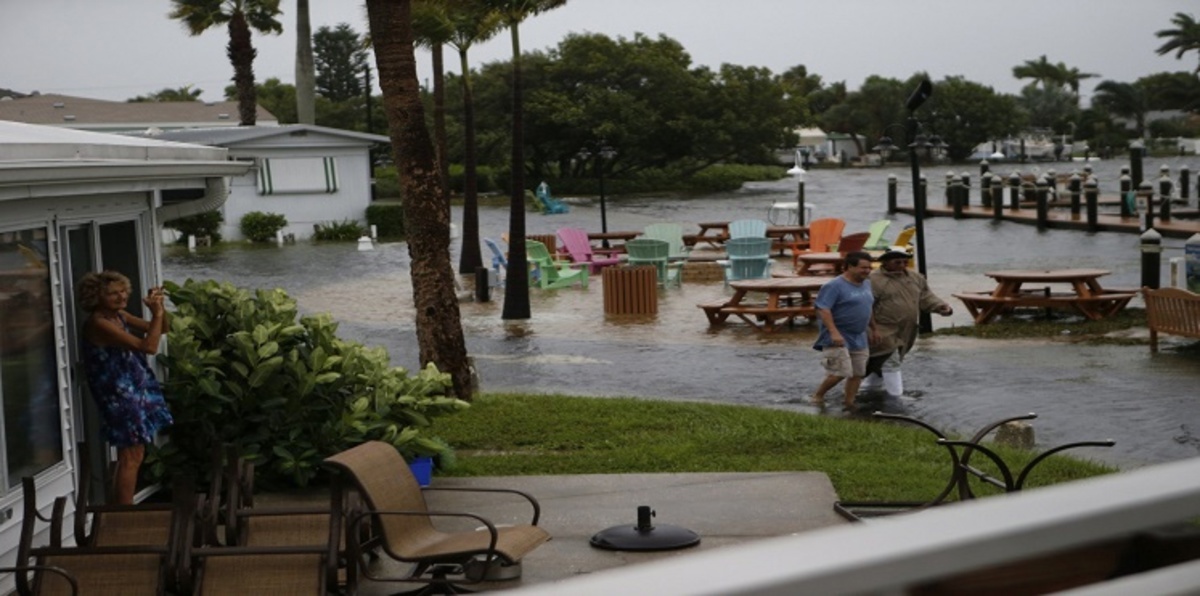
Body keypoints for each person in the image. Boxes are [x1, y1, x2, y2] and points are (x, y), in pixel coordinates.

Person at [78, 271, 172, 504]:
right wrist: (157, 314)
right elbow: (149, 346)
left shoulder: (118, 315)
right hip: (118, 394)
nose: (121, 297)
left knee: (131, 455)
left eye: (123, 291)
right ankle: (124, 516)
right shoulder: (99, 323)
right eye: (112, 294)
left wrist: (158, 309)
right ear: (96, 297)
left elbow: (161, 329)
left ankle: (119, 510)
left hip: (132, 388)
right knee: (132, 455)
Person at [862, 250, 953, 398]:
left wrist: (941, 306)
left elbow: (926, 296)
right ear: (884, 263)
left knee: (881, 362)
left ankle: (867, 390)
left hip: (906, 329)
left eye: (905, 262)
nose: (902, 265)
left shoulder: (915, 278)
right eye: (897, 262)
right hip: (882, 328)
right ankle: (897, 397)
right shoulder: (873, 280)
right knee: (890, 360)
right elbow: (865, 306)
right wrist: (872, 329)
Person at [811, 251, 878, 410]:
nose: (867, 271)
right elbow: (823, 309)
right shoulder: (834, 286)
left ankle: (849, 402)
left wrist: (874, 329)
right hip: (837, 336)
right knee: (840, 372)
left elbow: (867, 307)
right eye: (863, 268)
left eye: (869, 268)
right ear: (849, 267)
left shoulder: (867, 284)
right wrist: (834, 332)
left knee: (858, 373)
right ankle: (817, 396)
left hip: (859, 335)